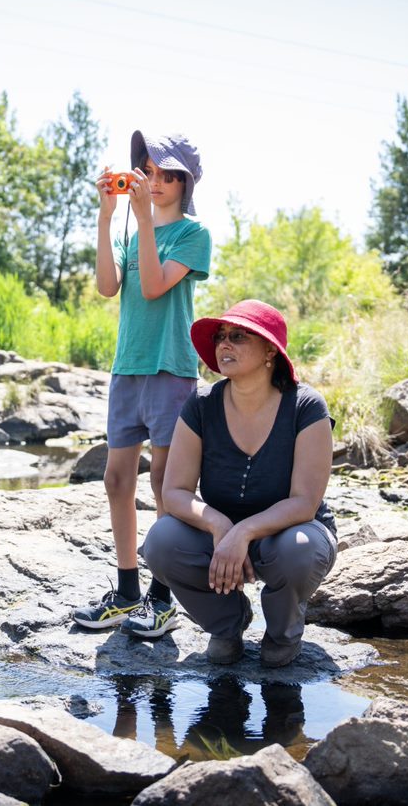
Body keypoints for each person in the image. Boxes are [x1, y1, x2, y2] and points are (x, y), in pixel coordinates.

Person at [140, 299, 337, 668]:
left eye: (238, 336)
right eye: (220, 337)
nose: (224, 344)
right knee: (161, 542)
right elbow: (175, 492)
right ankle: (227, 625)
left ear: (269, 352)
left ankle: (283, 634)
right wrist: (219, 525)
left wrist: (243, 532)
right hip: (219, 537)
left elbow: (304, 503)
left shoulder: (306, 406)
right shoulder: (200, 404)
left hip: (292, 532)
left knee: (300, 550)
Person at [71, 131, 212, 635]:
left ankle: (163, 597)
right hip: (126, 367)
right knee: (116, 480)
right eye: (147, 170)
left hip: (171, 369)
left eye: (163, 173)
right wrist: (108, 215)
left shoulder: (193, 234)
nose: (152, 180)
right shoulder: (134, 231)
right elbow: (109, 287)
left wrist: (146, 223)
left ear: (183, 182)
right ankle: (128, 591)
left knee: (164, 486)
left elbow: (153, 287)